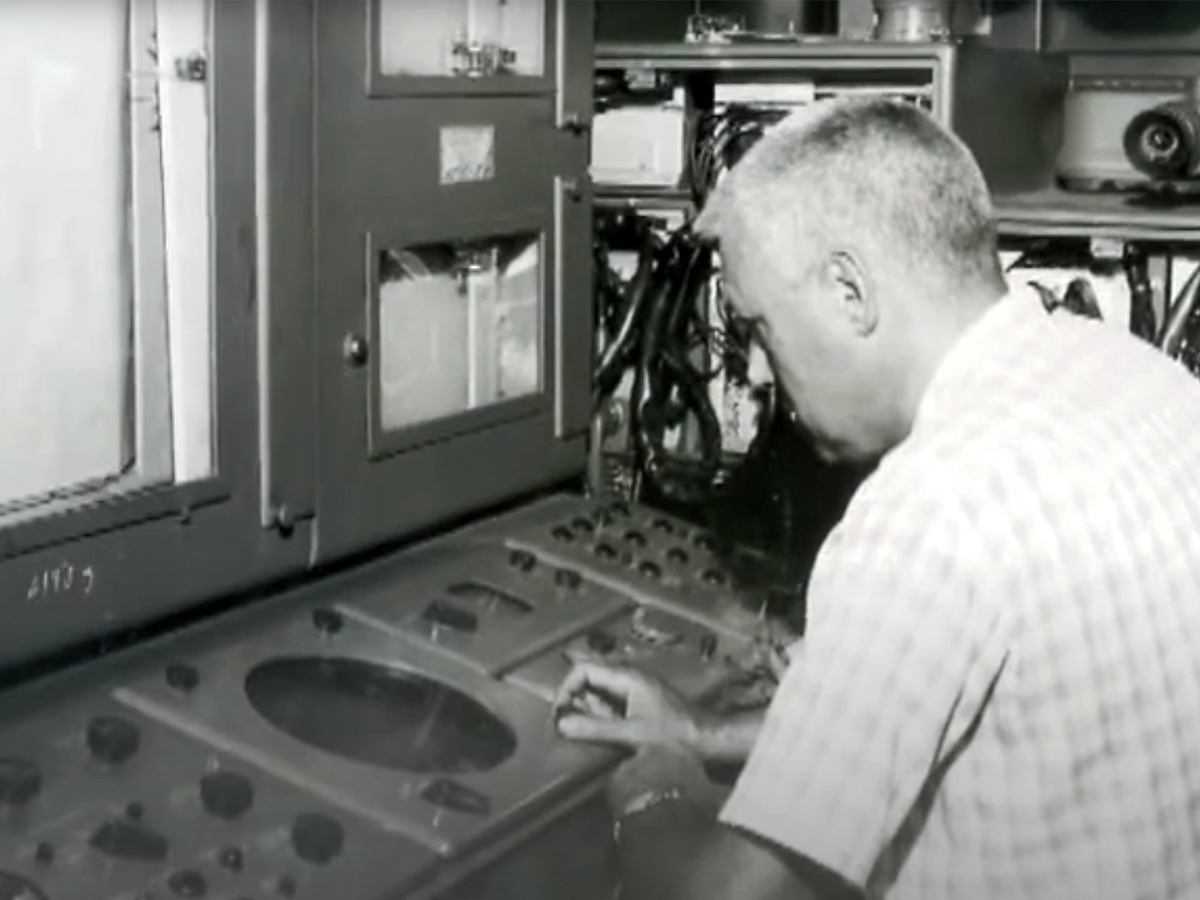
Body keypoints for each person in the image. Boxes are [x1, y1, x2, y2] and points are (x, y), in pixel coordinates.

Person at [553, 96, 1200, 900]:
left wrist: (656, 792)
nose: (754, 373)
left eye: (757, 328)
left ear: (849, 291)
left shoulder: (927, 510)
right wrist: (700, 732)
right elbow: (937, 722)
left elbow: (726, 894)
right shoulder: (1143, 383)